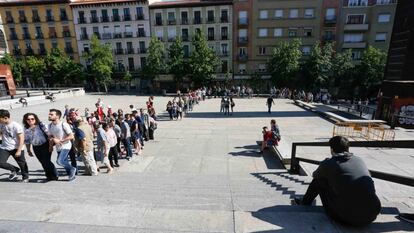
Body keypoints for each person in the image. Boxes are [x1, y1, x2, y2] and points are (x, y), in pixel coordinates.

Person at [293, 136, 381, 227]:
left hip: (345, 218)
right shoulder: (359, 160)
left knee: (318, 181)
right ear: (348, 148)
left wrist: (325, 166)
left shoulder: (330, 163)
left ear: (332, 150)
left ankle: (305, 202)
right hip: (372, 215)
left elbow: (315, 175)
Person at [23, 113, 58, 181]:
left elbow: (50, 136)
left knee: (46, 161)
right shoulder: (26, 128)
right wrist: (28, 150)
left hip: (45, 145)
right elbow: (27, 140)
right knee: (42, 162)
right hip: (35, 147)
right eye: (28, 119)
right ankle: (48, 176)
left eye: (32, 119)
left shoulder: (41, 125)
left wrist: (50, 146)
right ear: (26, 120)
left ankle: (55, 175)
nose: (30, 120)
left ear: (35, 119)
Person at [0, 109, 29, 182]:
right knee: (1, 162)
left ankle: (25, 177)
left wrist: (19, 150)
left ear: (5, 118)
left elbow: (21, 139)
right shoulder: (1, 125)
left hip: (17, 147)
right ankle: (14, 169)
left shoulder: (16, 126)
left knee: (22, 163)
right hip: (5, 147)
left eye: (0, 119)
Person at [48, 109, 77, 181]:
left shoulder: (63, 124)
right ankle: (71, 175)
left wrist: (61, 140)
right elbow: (50, 136)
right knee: (65, 161)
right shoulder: (50, 125)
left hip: (66, 146)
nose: (49, 116)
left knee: (59, 161)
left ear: (57, 116)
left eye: (51, 114)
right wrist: (51, 146)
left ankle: (72, 169)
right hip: (58, 147)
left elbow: (71, 136)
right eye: (49, 114)